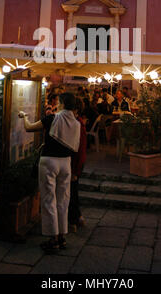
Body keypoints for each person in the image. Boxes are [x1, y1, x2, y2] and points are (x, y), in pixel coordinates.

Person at [19, 93, 80, 253]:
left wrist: (24, 116)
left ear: (60, 103)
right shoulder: (76, 123)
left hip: (49, 162)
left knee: (48, 199)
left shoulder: (52, 118)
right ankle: (61, 236)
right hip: (66, 163)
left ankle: (52, 238)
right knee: (63, 200)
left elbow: (29, 127)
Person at [69, 97, 87, 232]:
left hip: (74, 163)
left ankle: (73, 220)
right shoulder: (77, 122)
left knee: (71, 192)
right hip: (76, 162)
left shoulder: (77, 124)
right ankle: (78, 217)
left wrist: (75, 170)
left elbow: (79, 149)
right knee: (73, 191)